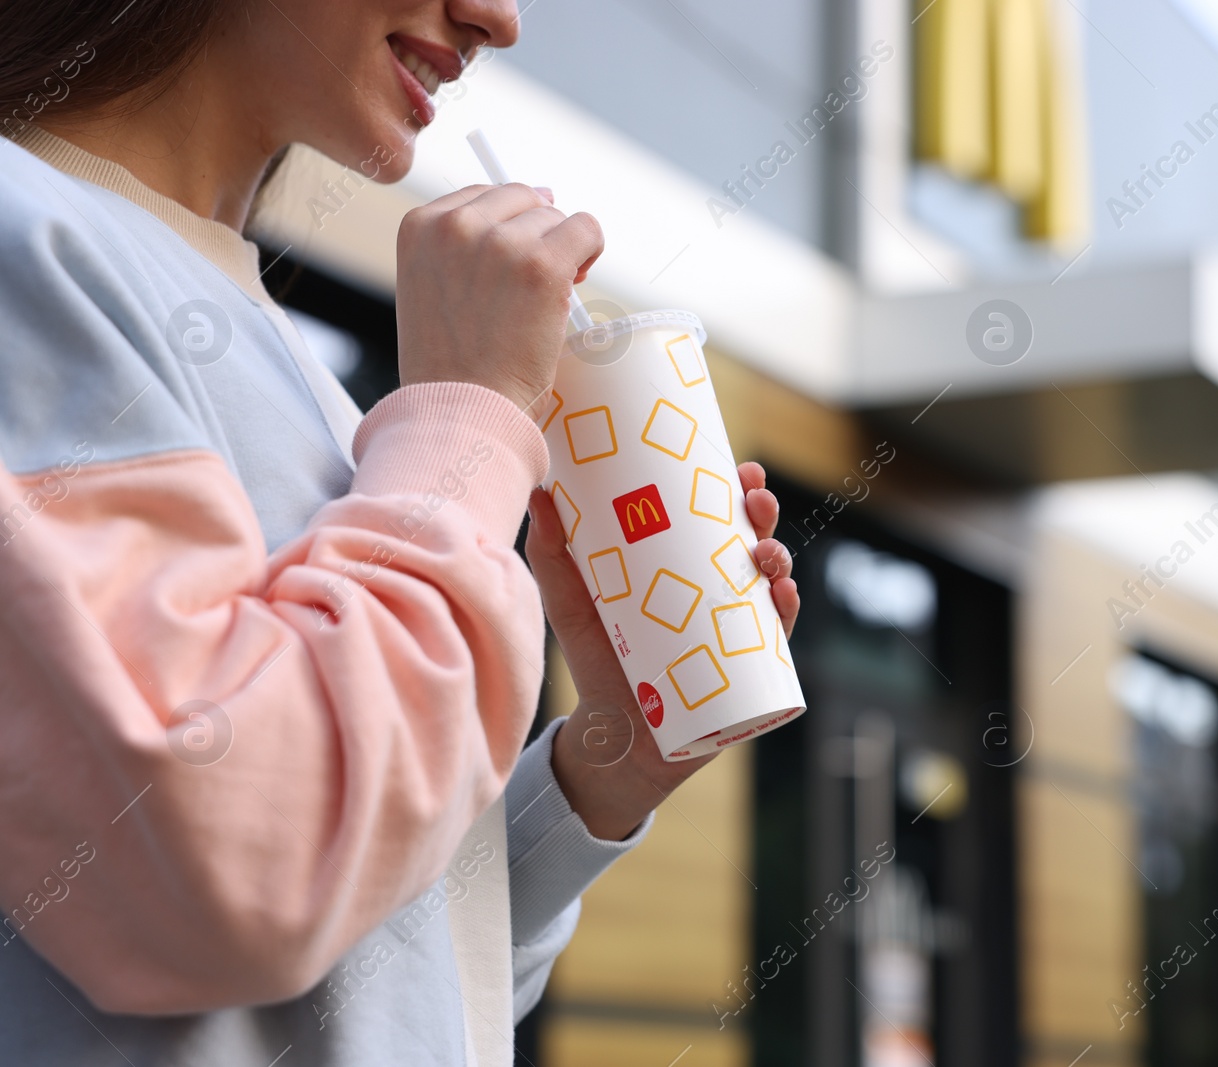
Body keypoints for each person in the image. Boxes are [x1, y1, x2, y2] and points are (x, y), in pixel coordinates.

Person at [0, 1, 800, 1063]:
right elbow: (216, 874)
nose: (497, 19)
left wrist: (603, 765)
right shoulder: (28, 246)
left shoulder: (301, 378)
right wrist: (467, 415)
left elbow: (375, 984)